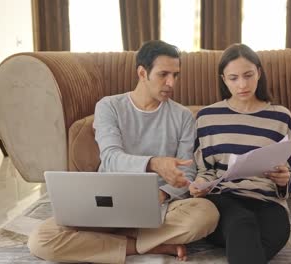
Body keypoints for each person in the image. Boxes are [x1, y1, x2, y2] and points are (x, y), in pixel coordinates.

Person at [28, 40, 219, 264]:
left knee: (206, 214)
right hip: (108, 201)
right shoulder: (109, 106)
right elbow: (110, 158)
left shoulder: (183, 116)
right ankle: (145, 246)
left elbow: (186, 172)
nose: (171, 83)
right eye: (163, 74)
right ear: (142, 72)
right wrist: (154, 163)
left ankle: (109, 241)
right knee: (42, 239)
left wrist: (158, 196)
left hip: (160, 206)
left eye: (175, 75)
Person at [189, 43, 291, 264]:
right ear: (223, 79)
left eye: (248, 75)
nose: (242, 84)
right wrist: (200, 184)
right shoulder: (207, 117)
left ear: (259, 72)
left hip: (267, 201)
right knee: (242, 223)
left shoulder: (281, 117)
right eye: (233, 78)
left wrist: (284, 178)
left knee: (276, 232)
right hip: (223, 200)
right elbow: (205, 169)